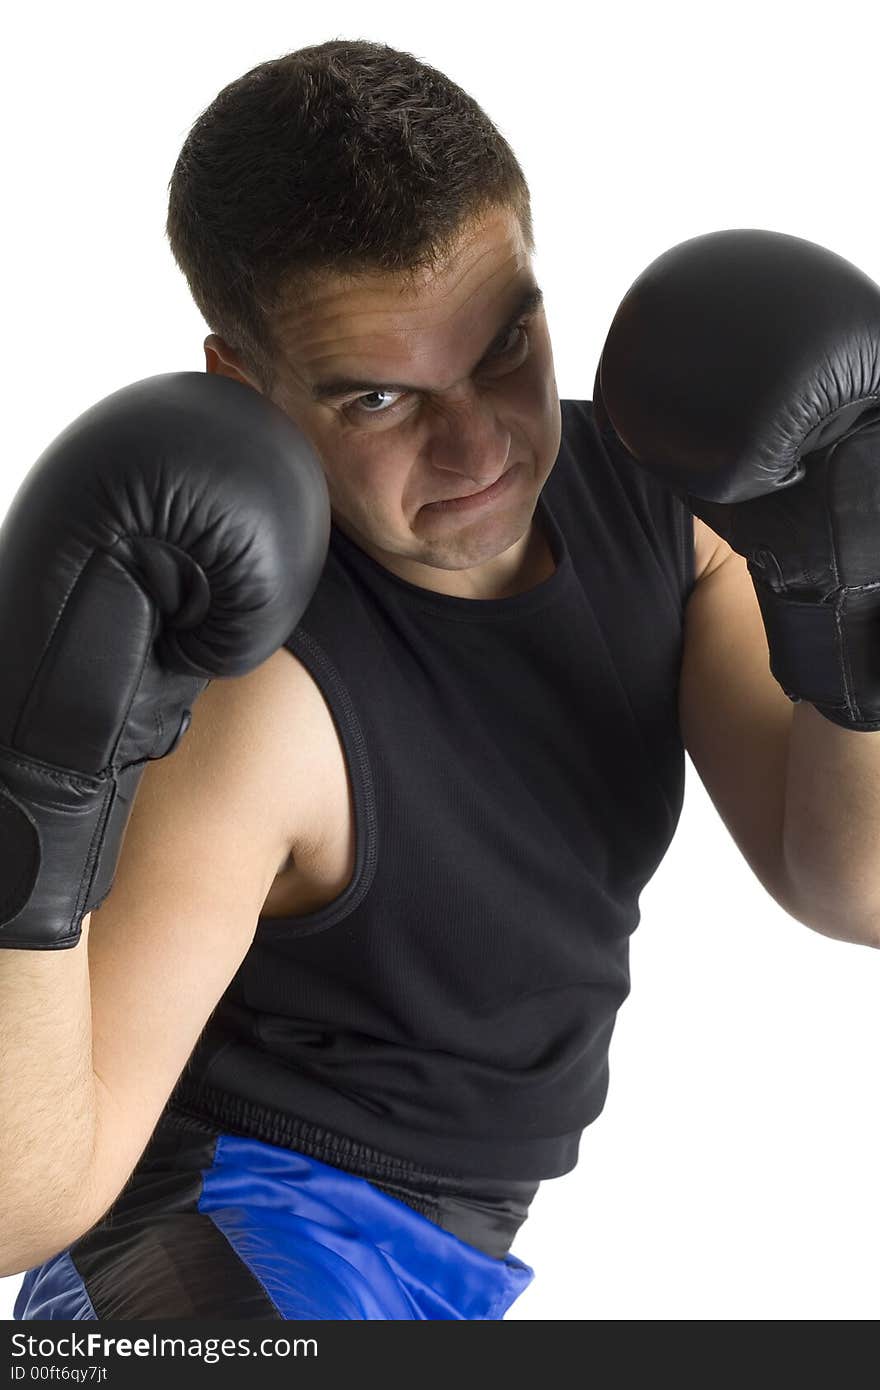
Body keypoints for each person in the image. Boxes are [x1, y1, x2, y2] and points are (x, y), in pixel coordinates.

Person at [7, 39, 880, 1322]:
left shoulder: (659, 509)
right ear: (243, 388)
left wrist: (853, 597)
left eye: (503, 345)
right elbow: (35, 1200)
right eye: (378, 398)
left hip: (448, 1260)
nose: (478, 445)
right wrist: (31, 796)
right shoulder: (262, 699)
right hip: (213, 1251)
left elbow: (848, 881)